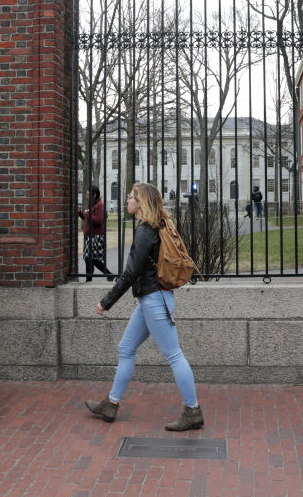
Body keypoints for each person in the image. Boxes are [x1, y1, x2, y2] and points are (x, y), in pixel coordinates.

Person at [85, 182, 203, 431]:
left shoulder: (145, 231)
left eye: (130, 197)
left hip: (155, 301)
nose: (127, 200)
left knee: (173, 354)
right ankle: (111, 403)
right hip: (153, 299)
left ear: (140, 203)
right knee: (126, 347)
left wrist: (105, 302)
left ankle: (192, 411)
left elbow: (130, 274)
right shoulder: (157, 226)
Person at [77, 185, 113, 282]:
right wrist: (80, 213)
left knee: (92, 259)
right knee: (88, 259)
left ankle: (109, 275)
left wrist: (88, 214)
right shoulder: (91, 204)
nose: (87, 196)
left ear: (95, 194)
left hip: (95, 236)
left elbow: (99, 220)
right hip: (89, 236)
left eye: (89, 194)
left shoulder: (99, 205)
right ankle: (89, 280)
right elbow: (86, 218)